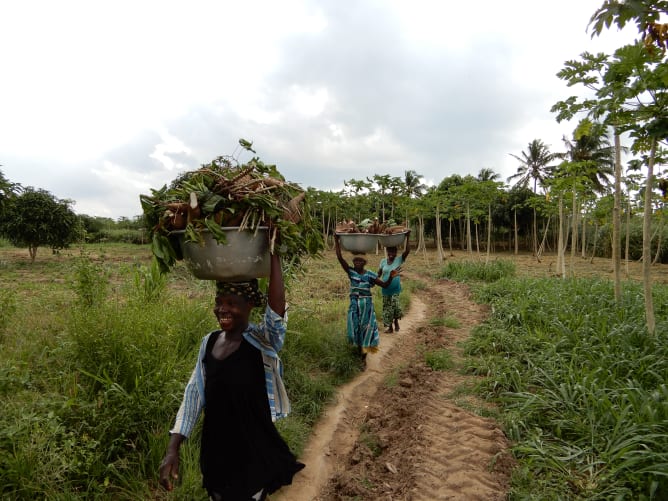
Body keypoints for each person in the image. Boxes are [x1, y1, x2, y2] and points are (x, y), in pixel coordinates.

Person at [158, 251, 304, 501]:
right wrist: (173, 448)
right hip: (216, 451)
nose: (222, 309)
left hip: (252, 452)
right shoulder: (209, 342)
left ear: (250, 305)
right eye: (219, 302)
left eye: (231, 303)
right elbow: (193, 396)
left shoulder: (263, 343)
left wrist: (274, 252)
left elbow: (277, 311)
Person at [334, 234, 401, 362]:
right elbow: (339, 257)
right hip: (354, 306)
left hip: (367, 308)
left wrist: (392, 277)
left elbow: (385, 285)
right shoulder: (351, 272)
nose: (357, 263)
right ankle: (359, 351)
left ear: (364, 262)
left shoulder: (370, 275)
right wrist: (336, 241)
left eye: (360, 261)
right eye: (355, 261)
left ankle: (363, 357)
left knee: (366, 330)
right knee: (355, 328)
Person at [377, 231, 411, 333]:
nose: (391, 254)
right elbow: (379, 273)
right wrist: (374, 279)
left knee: (395, 305)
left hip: (395, 289)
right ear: (387, 252)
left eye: (393, 252)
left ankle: (396, 321)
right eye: (390, 252)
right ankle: (390, 327)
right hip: (385, 288)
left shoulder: (398, 260)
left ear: (396, 253)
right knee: (387, 308)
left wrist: (407, 237)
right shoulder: (383, 261)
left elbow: (407, 251)